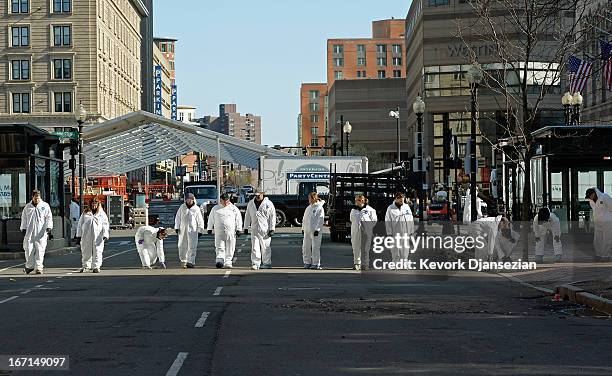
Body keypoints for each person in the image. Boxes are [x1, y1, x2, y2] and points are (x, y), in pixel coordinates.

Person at [20, 190, 54, 275]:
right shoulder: (27, 207)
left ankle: (38, 268)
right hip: (29, 232)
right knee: (28, 249)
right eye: (35, 198)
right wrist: (23, 228)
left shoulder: (45, 206)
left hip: (41, 232)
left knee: (40, 250)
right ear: (32, 197)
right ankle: (29, 266)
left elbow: (49, 217)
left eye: (38, 198)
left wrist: (49, 227)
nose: (37, 200)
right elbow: (24, 219)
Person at [244, 187, 276, 270]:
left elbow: (273, 217)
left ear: (263, 194)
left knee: (266, 247)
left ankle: (266, 263)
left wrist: (272, 228)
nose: (257, 197)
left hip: (265, 229)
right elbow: (247, 216)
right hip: (254, 229)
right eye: (256, 195)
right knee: (255, 247)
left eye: (259, 195)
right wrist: (246, 227)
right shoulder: (251, 203)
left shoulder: (269, 204)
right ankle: (255, 263)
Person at [207, 193, 243, 269]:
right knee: (219, 246)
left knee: (230, 247)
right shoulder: (215, 208)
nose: (226, 202)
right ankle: (220, 260)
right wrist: (209, 228)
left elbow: (238, 219)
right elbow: (211, 219)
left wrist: (239, 229)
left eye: (227, 200)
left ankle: (228, 261)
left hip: (231, 232)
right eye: (224, 200)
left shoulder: (233, 208)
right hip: (219, 232)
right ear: (221, 200)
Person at [76, 197, 110, 273]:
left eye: (96, 203)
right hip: (86, 235)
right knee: (86, 251)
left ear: (98, 204)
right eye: (93, 203)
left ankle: (96, 266)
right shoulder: (85, 213)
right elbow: (80, 224)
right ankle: (86, 266)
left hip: (98, 236)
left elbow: (105, 224)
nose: (94, 204)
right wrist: (78, 236)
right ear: (90, 204)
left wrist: (105, 234)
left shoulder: (101, 214)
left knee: (97, 251)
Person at [174, 193, 205, 268]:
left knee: (192, 246)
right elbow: (178, 218)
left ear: (193, 199)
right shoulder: (182, 207)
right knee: (182, 245)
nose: (188, 201)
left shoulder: (196, 209)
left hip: (193, 230)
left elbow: (200, 220)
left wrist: (200, 230)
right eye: (187, 199)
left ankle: (191, 261)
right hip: (183, 229)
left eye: (190, 199)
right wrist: (177, 227)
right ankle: (183, 260)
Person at [385, 192, 415, 263]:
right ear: (396, 199)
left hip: (406, 232)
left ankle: (404, 263)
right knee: (395, 249)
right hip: (395, 232)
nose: (401, 200)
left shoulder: (406, 207)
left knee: (405, 249)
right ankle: (395, 263)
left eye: (402, 198)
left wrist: (411, 232)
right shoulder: (390, 208)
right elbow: (387, 221)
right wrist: (389, 233)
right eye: (399, 199)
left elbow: (411, 219)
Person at [350, 195, 377, 271]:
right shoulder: (353, 210)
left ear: (362, 201)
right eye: (356, 200)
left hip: (366, 232)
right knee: (356, 248)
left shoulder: (370, 210)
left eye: (358, 200)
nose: (356, 202)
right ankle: (357, 264)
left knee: (365, 249)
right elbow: (351, 219)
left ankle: (365, 264)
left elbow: (374, 220)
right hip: (355, 231)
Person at [585, 187, 612, 262]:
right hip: (598, 222)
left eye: (590, 196)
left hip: (608, 222)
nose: (589, 198)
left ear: (594, 194)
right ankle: (598, 254)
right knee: (597, 239)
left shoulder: (605, 197)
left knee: (607, 239)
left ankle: (606, 255)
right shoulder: (591, 201)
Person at [301, 192, 325, 269]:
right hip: (307, 231)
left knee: (315, 247)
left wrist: (317, 229)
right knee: (305, 247)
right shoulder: (308, 208)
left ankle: (316, 263)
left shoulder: (319, 208)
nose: (309, 200)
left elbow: (320, 220)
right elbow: (304, 219)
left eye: (310, 198)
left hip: (315, 231)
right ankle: (307, 262)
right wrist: (303, 228)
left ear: (314, 198)